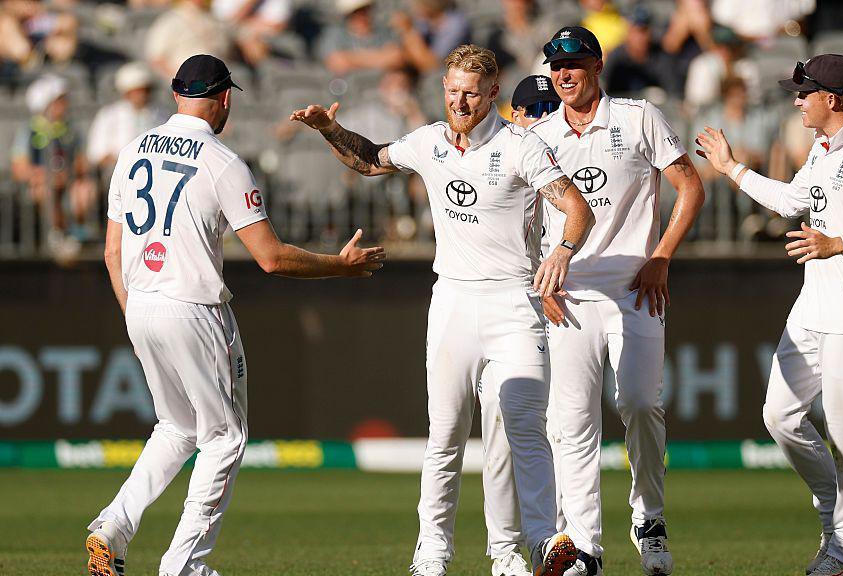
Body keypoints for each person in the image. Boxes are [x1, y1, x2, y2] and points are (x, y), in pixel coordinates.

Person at [290, 44, 595, 576]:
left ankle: (543, 544)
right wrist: (326, 129)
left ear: (494, 94)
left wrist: (562, 253)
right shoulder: (429, 141)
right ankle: (432, 551)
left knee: (523, 427)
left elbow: (576, 208)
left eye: (471, 93)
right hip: (453, 300)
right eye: (453, 90)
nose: (460, 101)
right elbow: (370, 159)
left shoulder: (519, 146)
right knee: (446, 434)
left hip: (513, 304)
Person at [84, 54, 385, 576]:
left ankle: (111, 527)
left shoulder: (132, 150)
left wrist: (137, 318)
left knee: (177, 427)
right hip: (195, 310)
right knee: (224, 438)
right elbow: (271, 258)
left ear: (177, 95)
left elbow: (112, 252)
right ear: (224, 98)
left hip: (141, 303)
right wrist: (339, 265)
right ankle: (185, 565)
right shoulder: (222, 161)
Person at [695, 54, 843, 576]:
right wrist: (730, 169)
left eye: (805, 92)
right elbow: (793, 200)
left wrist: (837, 242)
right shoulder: (823, 149)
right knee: (780, 416)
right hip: (814, 306)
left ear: (833, 100)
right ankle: (838, 515)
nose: (796, 100)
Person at [529, 26, 706, 576]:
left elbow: (690, 186)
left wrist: (662, 257)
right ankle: (585, 548)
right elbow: (526, 218)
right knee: (572, 419)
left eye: (575, 64)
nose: (564, 75)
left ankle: (648, 517)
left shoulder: (637, 117)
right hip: (570, 291)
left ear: (597, 65)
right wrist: (543, 282)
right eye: (556, 66)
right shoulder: (539, 135)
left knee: (639, 403)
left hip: (634, 284)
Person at [477, 73, 564, 576]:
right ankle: (506, 550)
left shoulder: (563, 162)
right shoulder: (508, 157)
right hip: (514, 308)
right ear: (514, 114)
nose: (540, 119)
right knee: (501, 430)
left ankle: (559, 539)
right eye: (531, 110)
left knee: (565, 430)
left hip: (568, 309)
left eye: (548, 109)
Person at [11, 73, 96, 259]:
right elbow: (19, 168)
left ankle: (75, 233)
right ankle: (59, 235)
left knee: (85, 190)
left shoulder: (70, 129)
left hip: (67, 182)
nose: (64, 105)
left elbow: (82, 161)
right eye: (58, 101)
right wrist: (47, 176)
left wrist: (68, 174)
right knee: (45, 191)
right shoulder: (29, 130)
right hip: (39, 185)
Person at [87, 62, 170, 173]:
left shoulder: (160, 114)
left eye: (145, 90)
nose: (141, 95)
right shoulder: (109, 115)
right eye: (136, 91)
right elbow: (96, 154)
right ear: (126, 92)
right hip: (117, 172)